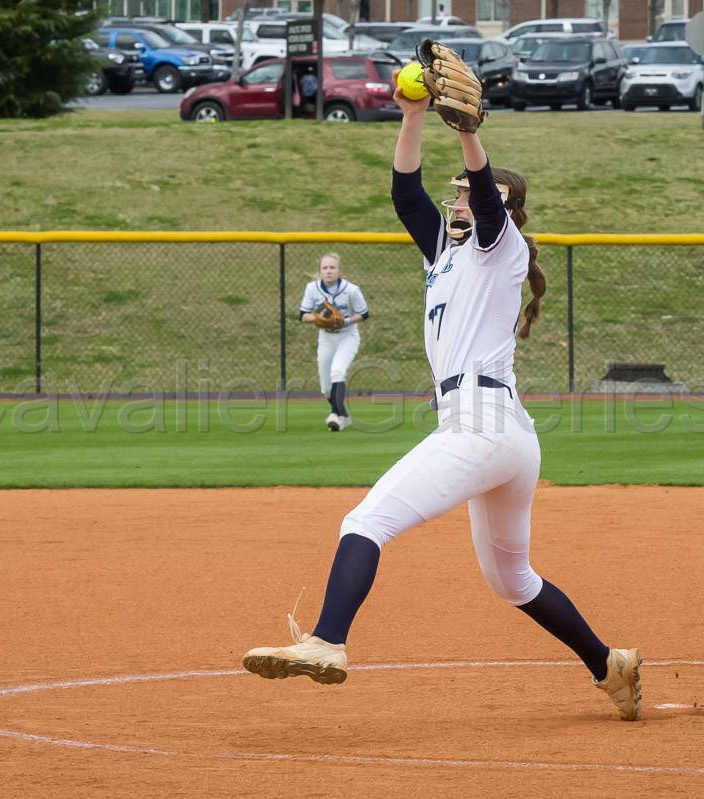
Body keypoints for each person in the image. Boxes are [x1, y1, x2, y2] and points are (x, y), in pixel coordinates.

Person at [242, 53, 643, 721]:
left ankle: (327, 640)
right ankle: (611, 664)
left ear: (508, 209)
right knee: (512, 579)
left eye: (466, 190)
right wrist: (411, 113)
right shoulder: (445, 251)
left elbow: (488, 202)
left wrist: (468, 132)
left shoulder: (501, 245)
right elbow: (405, 193)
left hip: (482, 424)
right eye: (454, 190)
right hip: (501, 430)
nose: (458, 196)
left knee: (366, 520)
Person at [298, 253, 369, 431]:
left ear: (339, 270)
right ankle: (343, 415)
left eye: (332, 268)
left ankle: (336, 416)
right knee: (326, 388)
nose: (329, 271)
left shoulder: (351, 289)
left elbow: (364, 314)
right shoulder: (312, 288)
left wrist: (344, 321)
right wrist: (319, 318)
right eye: (325, 268)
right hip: (326, 337)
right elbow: (302, 315)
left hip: (347, 336)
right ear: (320, 271)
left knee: (337, 372)